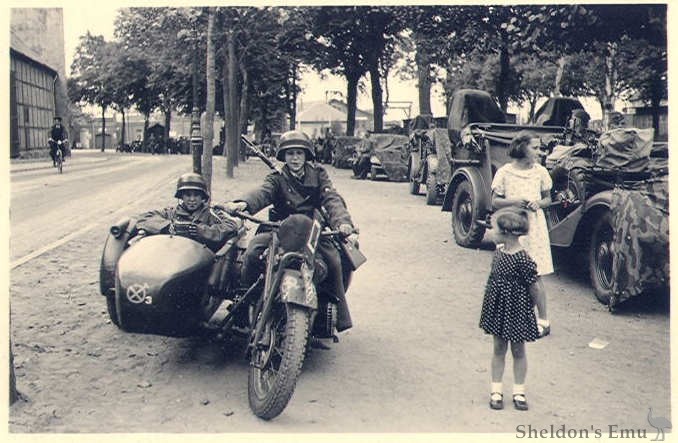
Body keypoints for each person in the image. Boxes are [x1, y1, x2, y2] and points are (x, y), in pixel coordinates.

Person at [222, 130, 357, 332]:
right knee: (252, 254)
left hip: (312, 231)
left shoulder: (319, 174)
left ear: (306, 156)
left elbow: (332, 199)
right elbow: (263, 192)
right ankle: (243, 306)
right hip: (280, 228)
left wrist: (343, 222)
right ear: (284, 156)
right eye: (290, 153)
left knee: (336, 261)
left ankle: (328, 311)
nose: (295, 158)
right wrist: (244, 203)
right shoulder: (278, 176)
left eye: (299, 153)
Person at [491, 130, 552, 338]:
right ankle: (508, 318)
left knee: (534, 273)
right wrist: (514, 202)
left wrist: (538, 203)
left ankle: (543, 320)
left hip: (533, 227)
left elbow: (548, 199)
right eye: (534, 147)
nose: (539, 151)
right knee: (509, 272)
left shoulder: (541, 172)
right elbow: (494, 201)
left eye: (539, 147)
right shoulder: (505, 172)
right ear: (521, 148)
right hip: (510, 226)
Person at [479, 208, 540, 411]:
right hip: (499, 309)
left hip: (517, 310)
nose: (492, 232)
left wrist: (542, 316)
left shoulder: (523, 258)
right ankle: (496, 390)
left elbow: (535, 286)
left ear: (506, 232)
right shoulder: (498, 253)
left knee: (518, 350)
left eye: (494, 229)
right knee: (498, 348)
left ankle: (519, 391)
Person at [135, 172, 240, 252]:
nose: (192, 199)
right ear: (181, 196)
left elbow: (231, 226)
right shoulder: (172, 213)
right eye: (188, 195)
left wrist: (202, 231)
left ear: (202, 197)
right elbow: (143, 218)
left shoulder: (210, 213)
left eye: (196, 195)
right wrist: (168, 227)